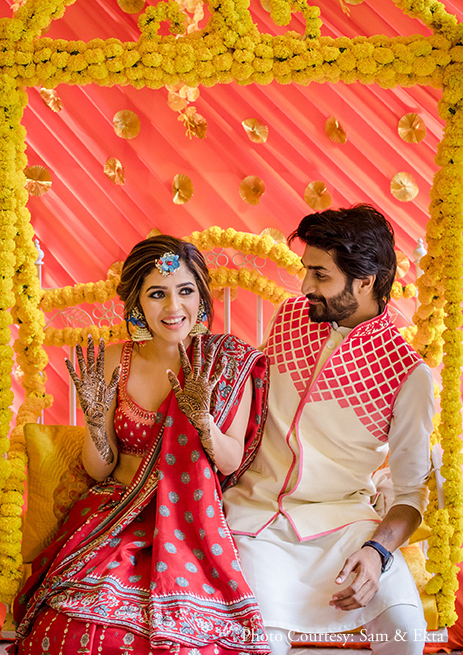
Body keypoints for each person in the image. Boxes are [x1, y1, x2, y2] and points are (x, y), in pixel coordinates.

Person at [11, 236, 270, 655]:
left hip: (187, 518)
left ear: (201, 296)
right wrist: (96, 422)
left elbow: (229, 461)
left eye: (185, 291)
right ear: (137, 302)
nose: (173, 307)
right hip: (116, 512)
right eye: (157, 294)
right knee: (66, 628)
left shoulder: (224, 363)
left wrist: (203, 422)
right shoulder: (116, 361)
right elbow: (99, 468)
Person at [223, 205, 435, 655]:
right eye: (307, 270)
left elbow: (410, 494)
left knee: (406, 635)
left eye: (320, 275)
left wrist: (378, 552)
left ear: (365, 281)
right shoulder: (288, 318)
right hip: (256, 517)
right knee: (263, 645)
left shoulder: (407, 373)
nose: (305, 287)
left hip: (344, 524)